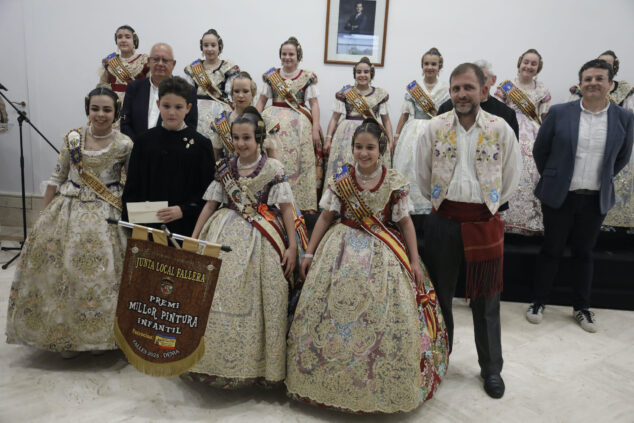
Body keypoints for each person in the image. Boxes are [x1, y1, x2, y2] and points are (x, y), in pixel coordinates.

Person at [286, 118, 448, 413]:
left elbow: (405, 222)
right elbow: (324, 217)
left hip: (383, 252)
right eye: (358, 147)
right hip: (340, 248)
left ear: (381, 149)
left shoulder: (395, 181)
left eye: (370, 147)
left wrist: (413, 260)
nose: (363, 153)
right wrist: (309, 254)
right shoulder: (341, 179)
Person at [416, 63, 521, 399]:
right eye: (456, 88)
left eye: (468, 88)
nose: (462, 94)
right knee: (439, 297)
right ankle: (440, 360)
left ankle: (491, 369)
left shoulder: (500, 128)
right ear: (450, 92)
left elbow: (511, 177)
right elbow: (421, 174)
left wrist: (485, 207)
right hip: (442, 222)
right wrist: (442, 204)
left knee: (487, 300)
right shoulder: (434, 127)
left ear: (483, 91)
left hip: (483, 223)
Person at [6, 88, 133, 358]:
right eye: (95, 109)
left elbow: (131, 182)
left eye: (107, 110)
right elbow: (57, 177)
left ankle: (100, 336)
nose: (100, 115)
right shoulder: (72, 139)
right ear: (88, 109)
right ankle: (65, 335)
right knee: (66, 277)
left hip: (107, 214)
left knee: (103, 276)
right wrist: (43, 218)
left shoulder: (124, 144)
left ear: (116, 113)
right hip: (68, 210)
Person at [186, 107, 296, 389]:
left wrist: (292, 248)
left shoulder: (274, 168)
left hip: (262, 236)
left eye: (246, 137)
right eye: (235, 138)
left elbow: (286, 210)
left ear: (259, 138)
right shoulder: (225, 167)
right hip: (224, 230)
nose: (240, 143)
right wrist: (195, 238)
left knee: (265, 292)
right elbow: (211, 204)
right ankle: (213, 363)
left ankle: (256, 366)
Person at [526, 59, 633, 332]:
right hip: (560, 195)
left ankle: (581, 307)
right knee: (551, 249)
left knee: (584, 252)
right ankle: (538, 301)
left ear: (611, 84)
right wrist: (555, 176)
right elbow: (541, 150)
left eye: (599, 78)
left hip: (595, 198)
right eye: (588, 79)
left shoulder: (624, 118)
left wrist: (603, 178)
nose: (593, 83)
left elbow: (621, 157)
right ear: (580, 84)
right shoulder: (561, 112)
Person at [122, 76, 214, 236]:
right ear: (158, 105)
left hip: (184, 229)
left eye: (178, 107)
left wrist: (184, 210)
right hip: (146, 228)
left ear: (188, 107)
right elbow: (132, 188)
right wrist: (133, 225)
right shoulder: (143, 141)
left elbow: (206, 193)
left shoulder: (201, 145)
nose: (172, 112)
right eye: (166, 106)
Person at [256, 36, 322, 214]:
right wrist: (255, 120)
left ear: (298, 56)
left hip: (299, 126)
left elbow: (314, 104)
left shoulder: (307, 77)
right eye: (284, 54)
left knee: (300, 164)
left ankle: (300, 204)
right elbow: (261, 101)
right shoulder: (272, 76)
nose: (287, 57)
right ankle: (269, 200)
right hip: (272, 122)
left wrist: (315, 128)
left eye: (291, 54)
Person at [569, 52, 634, 230]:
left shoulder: (625, 90)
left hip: (610, 156)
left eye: (608, 65)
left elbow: (624, 152)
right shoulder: (580, 88)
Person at [393, 48, 450, 241]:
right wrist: (396, 135)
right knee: (410, 171)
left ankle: (430, 218)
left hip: (436, 133)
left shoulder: (446, 89)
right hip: (412, 134)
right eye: (426, 64)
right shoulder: (413, 88)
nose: (430, 67)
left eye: (434, 64)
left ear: (439, 66)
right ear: (422, 66)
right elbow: (405, 114)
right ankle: (407, 218)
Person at [494, 49, 551, 235]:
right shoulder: (506, 87)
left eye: (533, 64)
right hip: (509, 131)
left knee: (531, 176)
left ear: (538, 68)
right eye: (526, 62)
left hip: (534, 136)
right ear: (519, 63)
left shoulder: (542, 90)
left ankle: (528, 222)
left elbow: (545, 117)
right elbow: (496, 112)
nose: (529, 66)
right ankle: (504, 220)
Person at [323, 56, 392, 178]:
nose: (362, 75)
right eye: (359, 72)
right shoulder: (345, 93)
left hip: (372, 133)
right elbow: (334, 118)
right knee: (345, 168)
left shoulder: (380, 94)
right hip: (345, 137)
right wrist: (328, 138)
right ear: (354, 74)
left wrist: (391, 141)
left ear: (371, 74)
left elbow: (386, 120)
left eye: (366, 72)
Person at [120, 43, 198, 141]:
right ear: (149, 62)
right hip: (136, 150)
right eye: (156, 59)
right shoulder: (134, 87)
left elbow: (190, 126)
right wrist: (138, 146)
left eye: (165, 60)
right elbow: (125, 122)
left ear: (173, 64)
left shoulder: (188, 91)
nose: (160, 63)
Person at [438, 60, 519, 139]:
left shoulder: (507, 113)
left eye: (483, 79)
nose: (480, 83)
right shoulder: (446, 108)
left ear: (493, 80)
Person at [184, 29, 240, 140]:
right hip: (196, 114)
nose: (209, 49)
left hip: (220, 116)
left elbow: (234, 95)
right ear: (202, 47)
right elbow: (186, 95)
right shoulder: (193, 68)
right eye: (206, 45)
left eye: (213, 45)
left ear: (219, 47)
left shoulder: (228, 68)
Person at [209, 71, 278, 160]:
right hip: (230, 172)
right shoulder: (221, 122)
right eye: (236, 91)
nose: (240, 95)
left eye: (245, 91)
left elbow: (273, 159)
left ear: (252, 93)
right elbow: (213, 157)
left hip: (258, 172)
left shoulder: (265, 121)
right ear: (232, 94)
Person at [97, 25, 150, 103]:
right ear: (116, 40)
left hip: (137, 104)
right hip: (114, 106)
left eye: (127, 37)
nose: (123, 40)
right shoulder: (110, 61)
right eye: (120, 37)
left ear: (134, 40)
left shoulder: (144, 61)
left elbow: (152, 88)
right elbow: (102, 88)